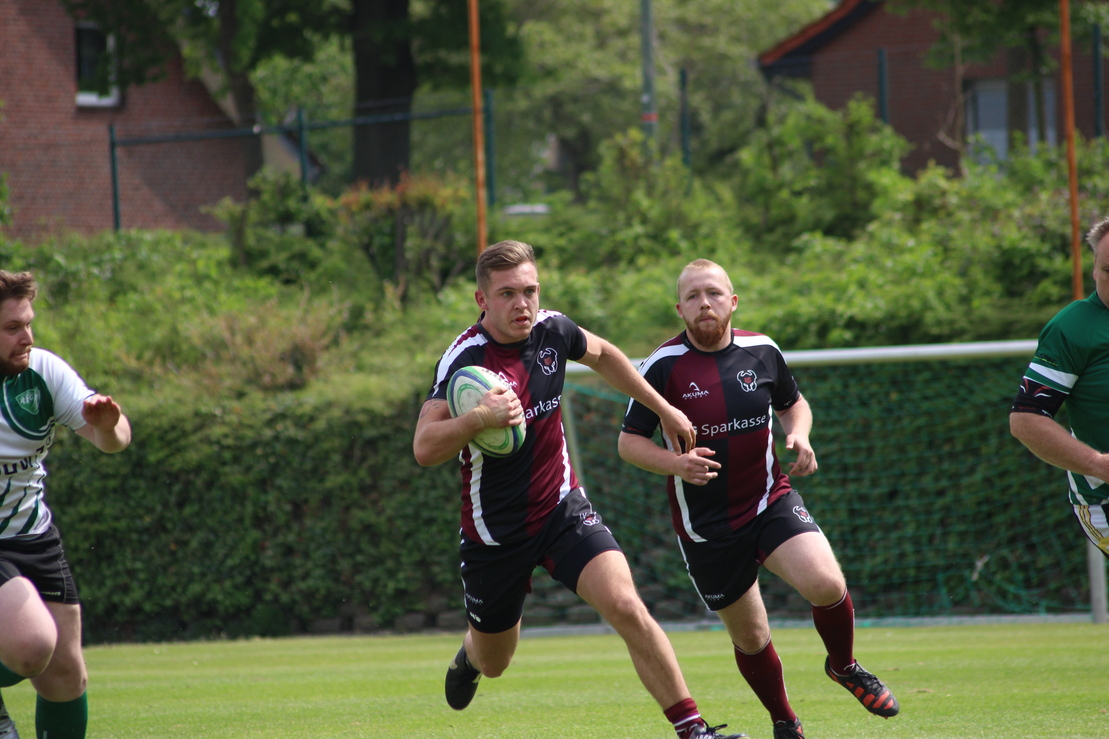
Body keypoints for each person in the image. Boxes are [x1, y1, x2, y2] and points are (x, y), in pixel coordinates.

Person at [413, 241, 747, 739]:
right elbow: (424, 446)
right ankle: (471, 655)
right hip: (496, 533)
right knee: (496, 658)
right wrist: (480, 418)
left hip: (562, 510)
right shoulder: (465, 360)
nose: (522, 303)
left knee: (627, 606)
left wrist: (662, 408)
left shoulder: (553, 329)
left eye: (530, 290)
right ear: (482, 300)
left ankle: (693, 730)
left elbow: (607, 355)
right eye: (507, 294)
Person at [618, 259, 900, 739]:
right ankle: (784, 721)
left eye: (712, 293)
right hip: (706, 527)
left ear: (732, 301)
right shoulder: (659, 367)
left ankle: (845, 666)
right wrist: (677, 464)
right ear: (680, 309)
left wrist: (801, 435)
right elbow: (629, 443)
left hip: (770, 499)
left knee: (827, 583)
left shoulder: (762, 350)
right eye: (692, 297)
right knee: (750, 635)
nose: (703, 303)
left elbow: (794, 405)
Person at [0, 271, 131, 739]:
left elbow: (113, 440)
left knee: (64, 676)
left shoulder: (42, 371)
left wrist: (108, 425)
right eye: (12, 327)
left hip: (33, 536)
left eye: (29, 323)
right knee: (31, 644)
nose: (27, 337)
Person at [1010, 216, 1109, 558]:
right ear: (1094, 271)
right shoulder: (1074, 328)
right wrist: (1099, 463)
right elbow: (1026, 418)